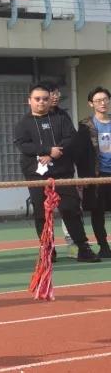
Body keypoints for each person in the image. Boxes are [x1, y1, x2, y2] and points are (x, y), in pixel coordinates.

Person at [13, 83, 100, 262]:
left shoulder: (61, 118)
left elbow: (71, 138)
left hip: (62, 173)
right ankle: (48, 251)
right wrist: (46, 150)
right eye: (37, 99)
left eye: (45, 99)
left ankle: (83, 248)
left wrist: (54, 153)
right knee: (42, 213)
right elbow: (23, 145)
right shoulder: (23, 123)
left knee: (70, 209)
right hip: (36, 175)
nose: (41, 102)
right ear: (29, 101)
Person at [71, 86, 111, 259]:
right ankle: (104, 246)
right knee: (98, 211)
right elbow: (79, 154)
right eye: (98, 100)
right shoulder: (85, 126)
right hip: (96, 175)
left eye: (105, 99)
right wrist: (83, 177)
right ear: (91, 104)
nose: (103, 103)